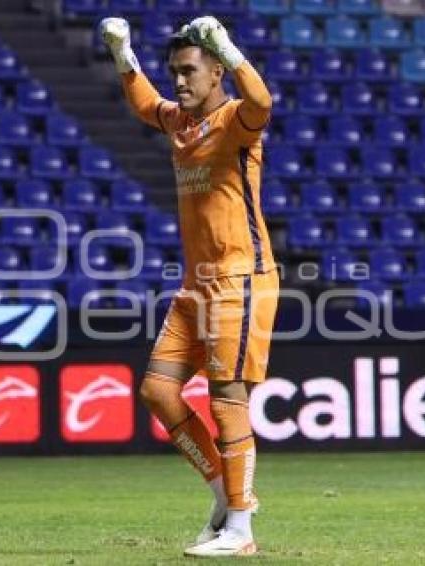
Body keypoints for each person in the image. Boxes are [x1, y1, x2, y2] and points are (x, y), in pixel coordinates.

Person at [100, 15, 279, 557]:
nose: (179, 82)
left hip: (239, 278)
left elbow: (263, 103)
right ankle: (223, 498)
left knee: (228, 396)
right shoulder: (179, 122)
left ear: (217, 72)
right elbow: (143, 104)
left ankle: (242, 531)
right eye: (174, 72)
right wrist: (122, 52)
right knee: (157, 390)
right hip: (195, 284)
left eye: (189, 71)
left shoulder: (234, 120)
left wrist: (228, 44)